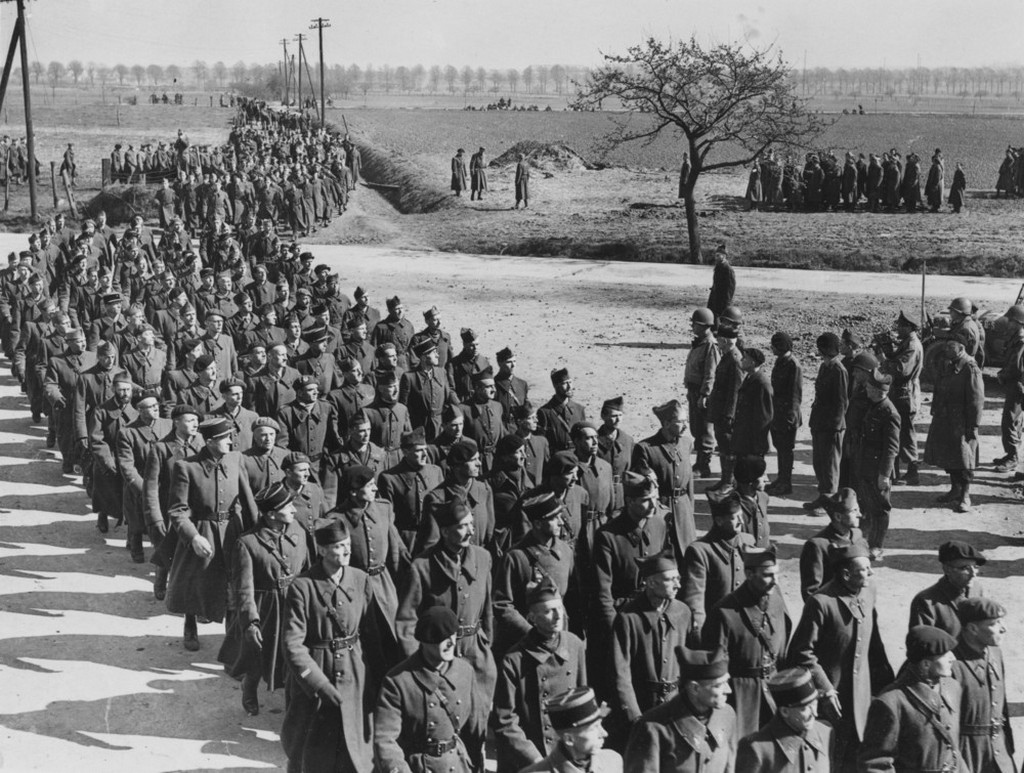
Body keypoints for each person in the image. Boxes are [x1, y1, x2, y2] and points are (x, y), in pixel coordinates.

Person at [280, 518, 380, 773]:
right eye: (338, 546)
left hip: (355, 673)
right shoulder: (302, 587)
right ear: (322, 550)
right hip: (316, 673)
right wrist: (318, 683)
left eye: (347, 544)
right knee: (309, 745)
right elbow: (293, 645)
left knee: (354, 744)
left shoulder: (361, 579)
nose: (346, 550)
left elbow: (372, 635)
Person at [787, 542, 893, 773]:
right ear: (845, 574)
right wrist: (825, 690)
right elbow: (802, 652)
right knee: (833, 755)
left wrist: (883, 681)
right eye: (865, 569)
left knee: (860, 753)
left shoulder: (869, 590)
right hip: (832, 699)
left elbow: (873, 640)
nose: (871, 573)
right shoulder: (821, 603)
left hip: (861, 695)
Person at [165, 417, 258, 651]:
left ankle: (230, 641)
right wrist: (193, 537)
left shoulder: (236, 460)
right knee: (196, 580)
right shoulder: (186, 467)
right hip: (203, 529)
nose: (231, 441)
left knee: (233, 584)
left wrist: (255, 530)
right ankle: (189, 625)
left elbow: (247, 499)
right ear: (209, 442)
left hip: (233, 530)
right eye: (225, 438)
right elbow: (178, 510)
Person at [397, 500, 497, 702]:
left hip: (477, 653)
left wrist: (486, 644)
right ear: (444, 532)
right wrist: (421, 660)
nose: (470, 531)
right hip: (439, 656)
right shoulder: (422, 566)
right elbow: (407, 619)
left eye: (471, 524)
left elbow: (487, 610)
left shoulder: (483, 558)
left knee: (480, 713)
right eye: (462, 526)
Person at [374, 606, 486, 773]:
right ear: (425, 641)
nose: (452, 642)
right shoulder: (398, 681)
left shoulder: (465, 672)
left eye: (453, 634)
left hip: (458, 765)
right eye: (442, 638)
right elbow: (385, 739)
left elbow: (474, 730)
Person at [232, 482, 310, 716]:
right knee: (259, 655)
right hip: (267, 606)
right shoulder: (247, 543)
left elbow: (307, 568)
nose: (294, 510)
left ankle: (292, 699)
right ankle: (250, 687)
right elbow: (244, 588)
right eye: (287, 507)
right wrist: (250, 621)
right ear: (271, 514)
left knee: (293, 654)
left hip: (296, 602)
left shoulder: (298, 530)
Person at [492, 583, 587, 772]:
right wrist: (537, 761)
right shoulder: (515, 659)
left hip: (568, 754)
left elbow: (581, 702)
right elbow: (505, 721)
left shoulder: (574, 644)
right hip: (531, 758)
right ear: (532, 618)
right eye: (549, 611)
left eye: (560, 608)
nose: (558, 616)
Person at [702, 547, 791, 739]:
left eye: (777, 574)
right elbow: (714, 664)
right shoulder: (724, 611)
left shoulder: (776, 600)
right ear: (749, 574)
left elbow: (783, 642)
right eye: (768, 575)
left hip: (774, 687)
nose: (775, 581)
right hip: (741, 695)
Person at [610, 552, 690, 748]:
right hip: (643, 706)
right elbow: (620, 673)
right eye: (671, 580)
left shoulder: (683, 612)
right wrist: (635, 717)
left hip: (676, 706)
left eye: (678, 578)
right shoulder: (628, 617)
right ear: (651, 583)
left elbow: (690, 661)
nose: (678, 585)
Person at [858, 626, 964, 773]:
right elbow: (876, 764)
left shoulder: (952, 688)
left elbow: (954, 750)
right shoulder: (891, 702)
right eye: (945, 654)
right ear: (926, 663)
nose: (953, 658)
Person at [624, 647, 736, 773]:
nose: (728, 690)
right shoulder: (653, 727)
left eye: (726, 681)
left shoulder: (727, 715)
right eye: (718, 685)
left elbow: (730, 767)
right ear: (695, 688)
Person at [952, 598, 1014, 773]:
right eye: (995, 624)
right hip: (968, 753)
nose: (1004, 628)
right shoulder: (952, 662)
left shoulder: (994, 652)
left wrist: (1008, 748)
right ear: (972, 628)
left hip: (999, 751)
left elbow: (1002, 708)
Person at [682, 490, 755, 637]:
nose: (742, 521)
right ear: (719, 520)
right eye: (735, 518)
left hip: (746, 629)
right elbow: (695, 600)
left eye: (742, 516)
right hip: (717, 632)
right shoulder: (700, 551)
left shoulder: (748, 541)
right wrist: (700, 636)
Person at [924, 339, 985, 513]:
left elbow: (976, 400)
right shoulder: (948, 363)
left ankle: (965, 495)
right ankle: (954, 490)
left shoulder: (970, 368)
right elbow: (939, 387)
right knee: (950, 456)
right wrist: (935, 409)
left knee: (964, 459)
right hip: (946, 418)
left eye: (950, 346)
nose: (946, 349)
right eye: (946, 346)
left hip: (962, 422)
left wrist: (973, 425)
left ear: (961, 348)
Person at [735, 668, 832, 773]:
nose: (815, 713)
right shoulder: (757, 749)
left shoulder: (825, 733)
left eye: (814, 703)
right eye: (805, 708)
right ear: (785, 711)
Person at [854, 368, 900, 561]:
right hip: (866, 464)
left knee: (880, 509)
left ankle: (876, 546)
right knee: (866, 504)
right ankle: (862, 540)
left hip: (878, 468)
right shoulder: (874, 406)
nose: (866, 388)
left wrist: (885, 475)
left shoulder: (889, 413)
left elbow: (891, 448)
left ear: (877, 390)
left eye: (869, 387)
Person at [520, 687, 623, 773]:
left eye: (600, 725)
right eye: (593, 728)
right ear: (569, 739)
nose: (604, 733)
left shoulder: (613, 761)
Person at [804, 332, 849, 517]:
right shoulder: (825, 367)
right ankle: (823, 496)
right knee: (820, 463)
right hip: (820, 423)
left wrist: (834, 426)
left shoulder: (839, 370)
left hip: (832, 427)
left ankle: (829, 501)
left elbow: (841, 402)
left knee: (830, 465)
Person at [908, 541, 986, 638]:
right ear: (947, 569)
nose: (973, 574)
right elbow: (923, 646)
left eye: (976, 567)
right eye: (965, 568)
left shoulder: (976, 588)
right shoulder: (926, 602)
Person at [880, 311, 923, 485]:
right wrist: (888, 350)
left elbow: (901, 370)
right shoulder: (907, 342)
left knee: (905, 432)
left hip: (905, 394)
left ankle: (913, 471)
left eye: (900, 325)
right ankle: (896, 472)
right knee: (897, 431)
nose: (897, 328)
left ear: (908, 327)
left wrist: (883, 360)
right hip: (901, 393)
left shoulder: (912, 345)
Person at [798, 488, 865, 601]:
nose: (860, 514)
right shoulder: (817, 545)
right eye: (854, 511)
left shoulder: (857, 535)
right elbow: (811, 592)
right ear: (838, 517)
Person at [683, 309, 719, 478]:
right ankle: (699, 463)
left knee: (705, 430)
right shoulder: (699, 343)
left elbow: (710, 374)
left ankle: (703, 465)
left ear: (705, 326)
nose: (692, 326)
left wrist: (705, 395)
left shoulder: (710, 346)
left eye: (695, 324)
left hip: (702, 393)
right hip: (693, 391)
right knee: (696, 428)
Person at [707, 325, 743, 490]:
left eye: (719, 340)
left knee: (728, 449)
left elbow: (735, 391)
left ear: (726, 340)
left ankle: (729, 482)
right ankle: (725, 479)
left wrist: (729, 415)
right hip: (720, 410)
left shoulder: (735, 360)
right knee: (722, 447)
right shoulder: (728, 355)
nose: (717, 343)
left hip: (726, 414)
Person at [731, 347, 773, 466]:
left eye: (745, 358)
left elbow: (765, 417)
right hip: (744, 435)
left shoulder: (762, 383)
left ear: (752, 362)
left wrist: (758, 444)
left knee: (753, 473)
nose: (741, 360)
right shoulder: (750, 378)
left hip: (752, 439)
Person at [706, 244, 735, 319]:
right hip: (714, 297)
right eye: (715, 255)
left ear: (724, 256)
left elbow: (730, 288)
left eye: (718, 255)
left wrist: (727, 302)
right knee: (711, 316)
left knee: (722, 318)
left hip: (723, 299)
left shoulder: (728, 269)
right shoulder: (718, 267)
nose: (716, 257)